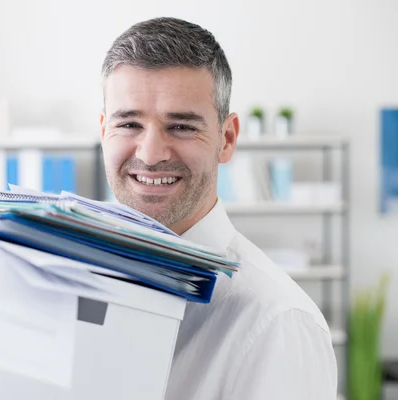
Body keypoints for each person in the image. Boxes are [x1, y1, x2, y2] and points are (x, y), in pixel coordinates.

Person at [99, 17, 338, 400]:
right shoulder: (76, 275)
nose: (150, 154)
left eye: (181, 126)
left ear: (226, 139)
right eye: (128, 123)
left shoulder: (278, 323)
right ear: (103, 132)